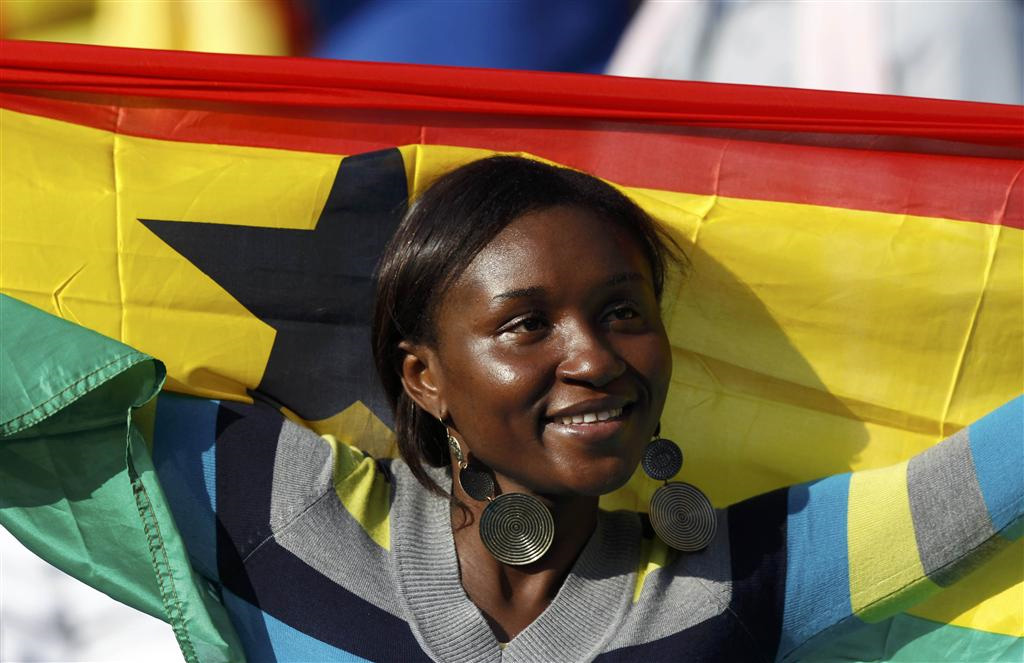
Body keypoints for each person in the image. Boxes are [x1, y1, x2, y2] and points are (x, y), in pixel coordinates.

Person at [2, 156, 1021, 662]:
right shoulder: (273, 508)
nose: (595, 358)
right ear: (423, 377)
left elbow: (991, 477)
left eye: (623, 312)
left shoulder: (741, 576)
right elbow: (39, 387)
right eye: (526, 324)